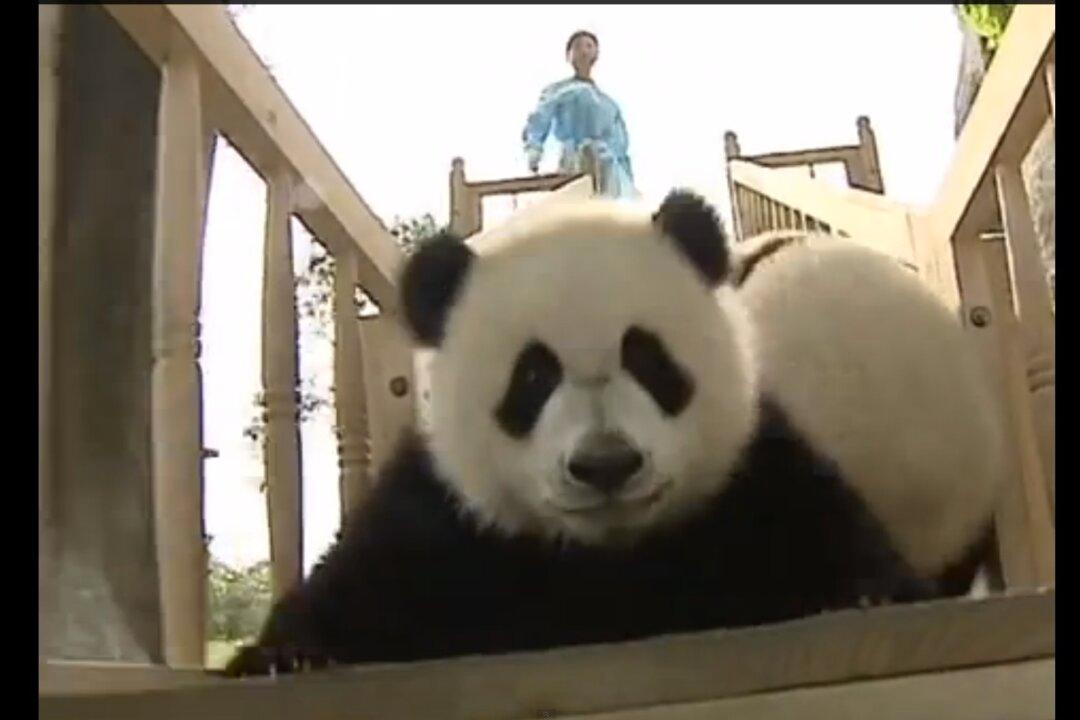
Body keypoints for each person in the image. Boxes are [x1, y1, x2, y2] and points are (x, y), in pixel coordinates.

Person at [522, 30, 637, 199]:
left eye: (589, 46)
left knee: (604, 206)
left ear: (596, 54)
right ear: (569, 56)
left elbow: (620, 147)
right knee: (573, 201)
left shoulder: (608, 104)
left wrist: (627, 182)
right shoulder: (558, 90)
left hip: (606, 168)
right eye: (577, 46)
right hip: (573, 160)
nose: (584, 51)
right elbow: (540, 118)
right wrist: (534, 149)